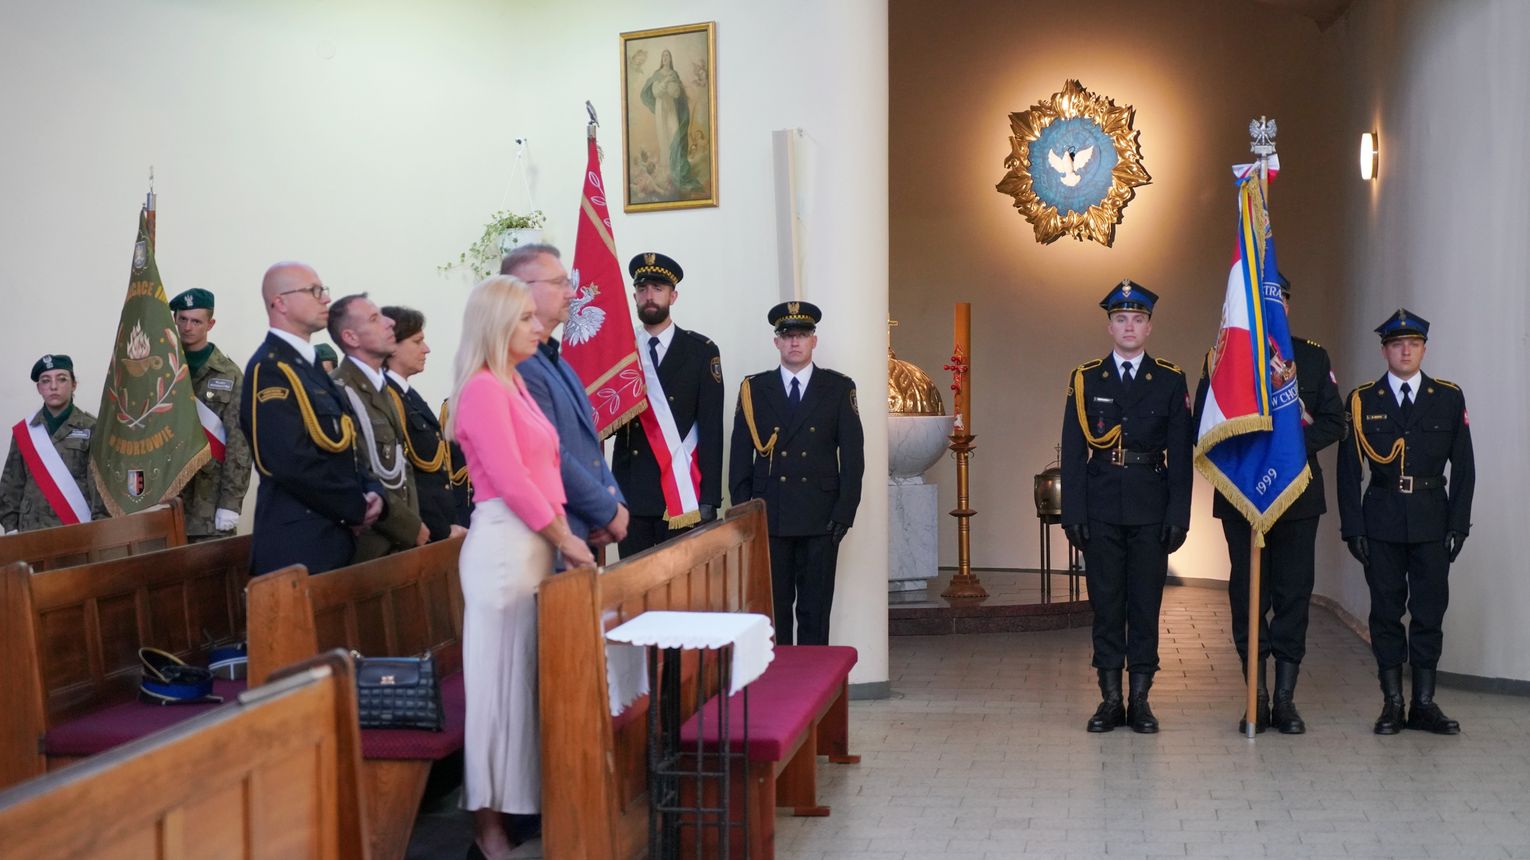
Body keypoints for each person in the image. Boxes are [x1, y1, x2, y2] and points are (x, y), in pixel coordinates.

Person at [448, 275, 594, 860]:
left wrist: (560, 536)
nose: (540, 326)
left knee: (523, 687)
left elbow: (545, 471)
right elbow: (511, 480)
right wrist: (566, 538)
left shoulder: (513, 383)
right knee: (495, 691)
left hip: (532, 542)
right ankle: (487, 830)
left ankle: (520, 811)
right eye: (527, 318)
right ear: (498, 325)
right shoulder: (483, 389)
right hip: (504, 551)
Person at [1193, 273, 1344, 734]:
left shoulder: (1312, 358)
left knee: (1293, 595)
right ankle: (1255, 696)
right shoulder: (1224, 357)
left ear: (1286, 307)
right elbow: (1203, 426)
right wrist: (1250, 457)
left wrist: (1288, 452)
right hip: (1243, 497)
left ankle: (1284, 699)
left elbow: (1334, 421)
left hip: (1297, 495)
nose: (1272, 308)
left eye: (1278, 301)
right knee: (1247, 596)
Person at [1060, 280, 1192, 734]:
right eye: (1121, 319)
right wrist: (1073, 513)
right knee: (1106, 604)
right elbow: (1072, 451)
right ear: (1110, 327)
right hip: (1100, 506)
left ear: (1149, 327)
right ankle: (1110, 700)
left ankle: (1141, 700)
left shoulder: (1170, 379)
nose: (1129, 327)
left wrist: (1178, 516)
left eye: (1137, 319)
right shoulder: (1086, 378)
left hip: (1150, 507)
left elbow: (1181, 455)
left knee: (1145, 605)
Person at [1337, 308, 1475, 735]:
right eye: (1397, 345)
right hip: (1382, 520)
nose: (1405, 351)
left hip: (1433, 519)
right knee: (1386, 612)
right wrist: (1353, 528)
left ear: (1424, 350)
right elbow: (1348, 471)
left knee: (1430, 611)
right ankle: (1392, 703)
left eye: (1413, 344)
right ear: (1384, 351)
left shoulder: (1448, 397)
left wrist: (1459, 524)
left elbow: (1464, 466)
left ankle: (1424, 703)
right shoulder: (1363, 400)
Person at [729, 301, 864, 646]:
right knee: (773, 614)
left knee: (814, 612)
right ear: (776, 341)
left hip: (821, 519)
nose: (794, 342)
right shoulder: (754, 389)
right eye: (787, 335)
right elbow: (740, 456)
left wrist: (844, 512)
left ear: (814, 340)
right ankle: (778, 678)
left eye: (802, 335)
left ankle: (815, 678)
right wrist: (744, 513)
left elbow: (853, 456)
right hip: (770, 516)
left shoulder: (837, 388)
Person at [240, 262, 383, 575]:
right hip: (300, 545)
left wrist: (373, 491)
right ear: (280, 302)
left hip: (333, 533)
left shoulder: (310, 365)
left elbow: (346, 443)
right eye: (314, 291)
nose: (326, 299)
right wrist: (355, 506)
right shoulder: (270, 369)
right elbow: (289, 461)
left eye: (323, 290)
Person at [501, 244, 628, 556]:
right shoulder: (520, 366)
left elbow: (587, 445)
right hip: (551, 537)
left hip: (581, 529)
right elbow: (549, 453)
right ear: (522, 289)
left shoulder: (558, 362)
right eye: (559, 283)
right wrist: (607, 510)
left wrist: (614, 501)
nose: (572, 293)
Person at [610, 252, 723, 556]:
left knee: (681, 583)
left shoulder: (701, 351)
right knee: (633, 582)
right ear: (634, 296)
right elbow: (604, 422)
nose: (649, 296)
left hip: (682, 492)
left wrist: (710, 497)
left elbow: (712, 427)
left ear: (673, 296)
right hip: (631, 492)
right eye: (643, 288)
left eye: (658, 289)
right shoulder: (620, 352)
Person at [328, 293, 428, 561]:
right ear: (351, 338)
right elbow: (360, 470)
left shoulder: (380, 388)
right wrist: (410, 528)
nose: (389, 323)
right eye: (375, 319)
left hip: (401, 545)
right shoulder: (340, 391)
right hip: (372, 548)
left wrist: (413, 527)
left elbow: (399, 468)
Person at [169, 288, 252, 541]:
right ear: (174, 319)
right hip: (167, 497)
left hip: (209, 501)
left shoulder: (229, 374)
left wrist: (231, 503)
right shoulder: (162, 368)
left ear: (210, 324)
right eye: (183, 319)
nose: (188, 327)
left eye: (196, 321)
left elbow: (240, 443)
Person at [381, 304, 469, 542]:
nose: (426, 349)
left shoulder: (407, 395)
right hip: (423, 531)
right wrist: (440, 528)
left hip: (443, 524)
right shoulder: (389, 398)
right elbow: (404, 477)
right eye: (417, 341)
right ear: (392, 347)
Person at [2, 354, 107, 532]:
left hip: (79, 529)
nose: (53, 386)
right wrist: (11, 529)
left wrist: (100, 529)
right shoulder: (24, 432)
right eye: (45, 380)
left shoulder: (92, 428)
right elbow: (11, 486)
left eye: (62, 379)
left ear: (74, 385)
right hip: (32, 532)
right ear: (39, 388)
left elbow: (101, 488)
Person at [640, 48, 698, 196]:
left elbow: (677, 93)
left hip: (671, 107)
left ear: (670, 58)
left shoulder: (674, 74)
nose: (665, 57)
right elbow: (656, 92)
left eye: (667, 55)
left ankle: (676, 169)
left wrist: (672, 87)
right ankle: (666, 170)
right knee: (663, 136)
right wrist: (665, 82)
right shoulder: (657, 75)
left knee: (675, 135)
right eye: (663, 55)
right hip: (661, 107)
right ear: (661, 59)